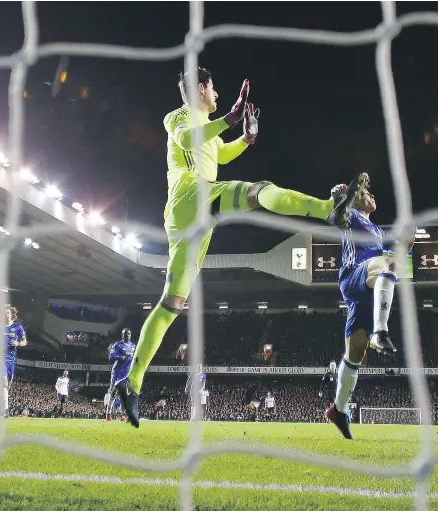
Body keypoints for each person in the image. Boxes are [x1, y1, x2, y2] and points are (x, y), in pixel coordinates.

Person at [118, 68, 366, 428]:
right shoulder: (180, 117)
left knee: (172, 303)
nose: (217, 93)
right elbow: (190, 140)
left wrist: (245, 139)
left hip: (190, 218)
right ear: (200, 88)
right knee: (257, 190)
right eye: (214, 87)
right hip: (191, 195)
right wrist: (230, 118)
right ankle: (327, 210)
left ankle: (133, 383)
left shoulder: (206, 125)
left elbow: (219, 153)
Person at [325, 176, 412, 439]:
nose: (373, 196)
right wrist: (344, 195)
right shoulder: (351, 215)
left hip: (365, 293)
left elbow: (400, 252)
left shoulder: (376, 229)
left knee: (354, 358)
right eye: (367, 193)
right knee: (385, 265)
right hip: (353, 277)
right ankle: (380, 332)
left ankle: (338, 411)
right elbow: (334, 219)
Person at [0, 305, 26, 418]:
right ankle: (6, 410)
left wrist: (18, 344)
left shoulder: (18, 327)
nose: (6, 315)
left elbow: (24, 342)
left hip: (11, 359)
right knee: (4, 383)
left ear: (12, 314)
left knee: (7, 386)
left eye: (8, 313)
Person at [108, 328, 135, 421]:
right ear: (122, 335)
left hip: (126, 373)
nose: (126, 335)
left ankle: (122, 414)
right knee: (113, 392)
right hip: (117, 372)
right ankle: (108, 413)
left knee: (124, 395)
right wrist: (121, 357)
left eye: (128, 334)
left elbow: (134, 358)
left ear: (130, 335)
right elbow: (110, 356)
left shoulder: (133, 346)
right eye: (124, 334)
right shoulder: (117, 345)